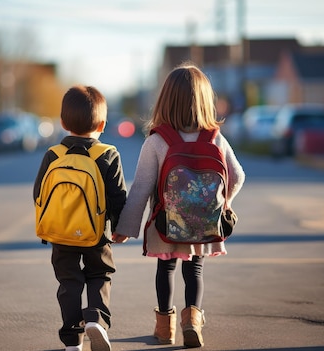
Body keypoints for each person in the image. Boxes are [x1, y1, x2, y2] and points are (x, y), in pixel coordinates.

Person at [112, 63, 245, 348]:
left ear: (165, 100)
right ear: (205, 101)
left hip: (166, 225)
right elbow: (237, 176)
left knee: (166, 269)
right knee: (194, 271)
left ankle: (164, 329)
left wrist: (125, 228)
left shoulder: (158, 141)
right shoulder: (215, 138)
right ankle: (192, 321)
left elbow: (141, 188)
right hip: (204, 223)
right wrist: (225, 205)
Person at [34, 85, 128, 351]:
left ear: (63, 123)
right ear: (102, 124)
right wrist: (120, 228)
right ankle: (96, 319)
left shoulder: (53, 155)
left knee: (69, 281)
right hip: (96, 233)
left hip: (60, 234)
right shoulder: (108, 154)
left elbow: (38, 193)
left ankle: (72, 340)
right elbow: (118, 196)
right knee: (100, 273)